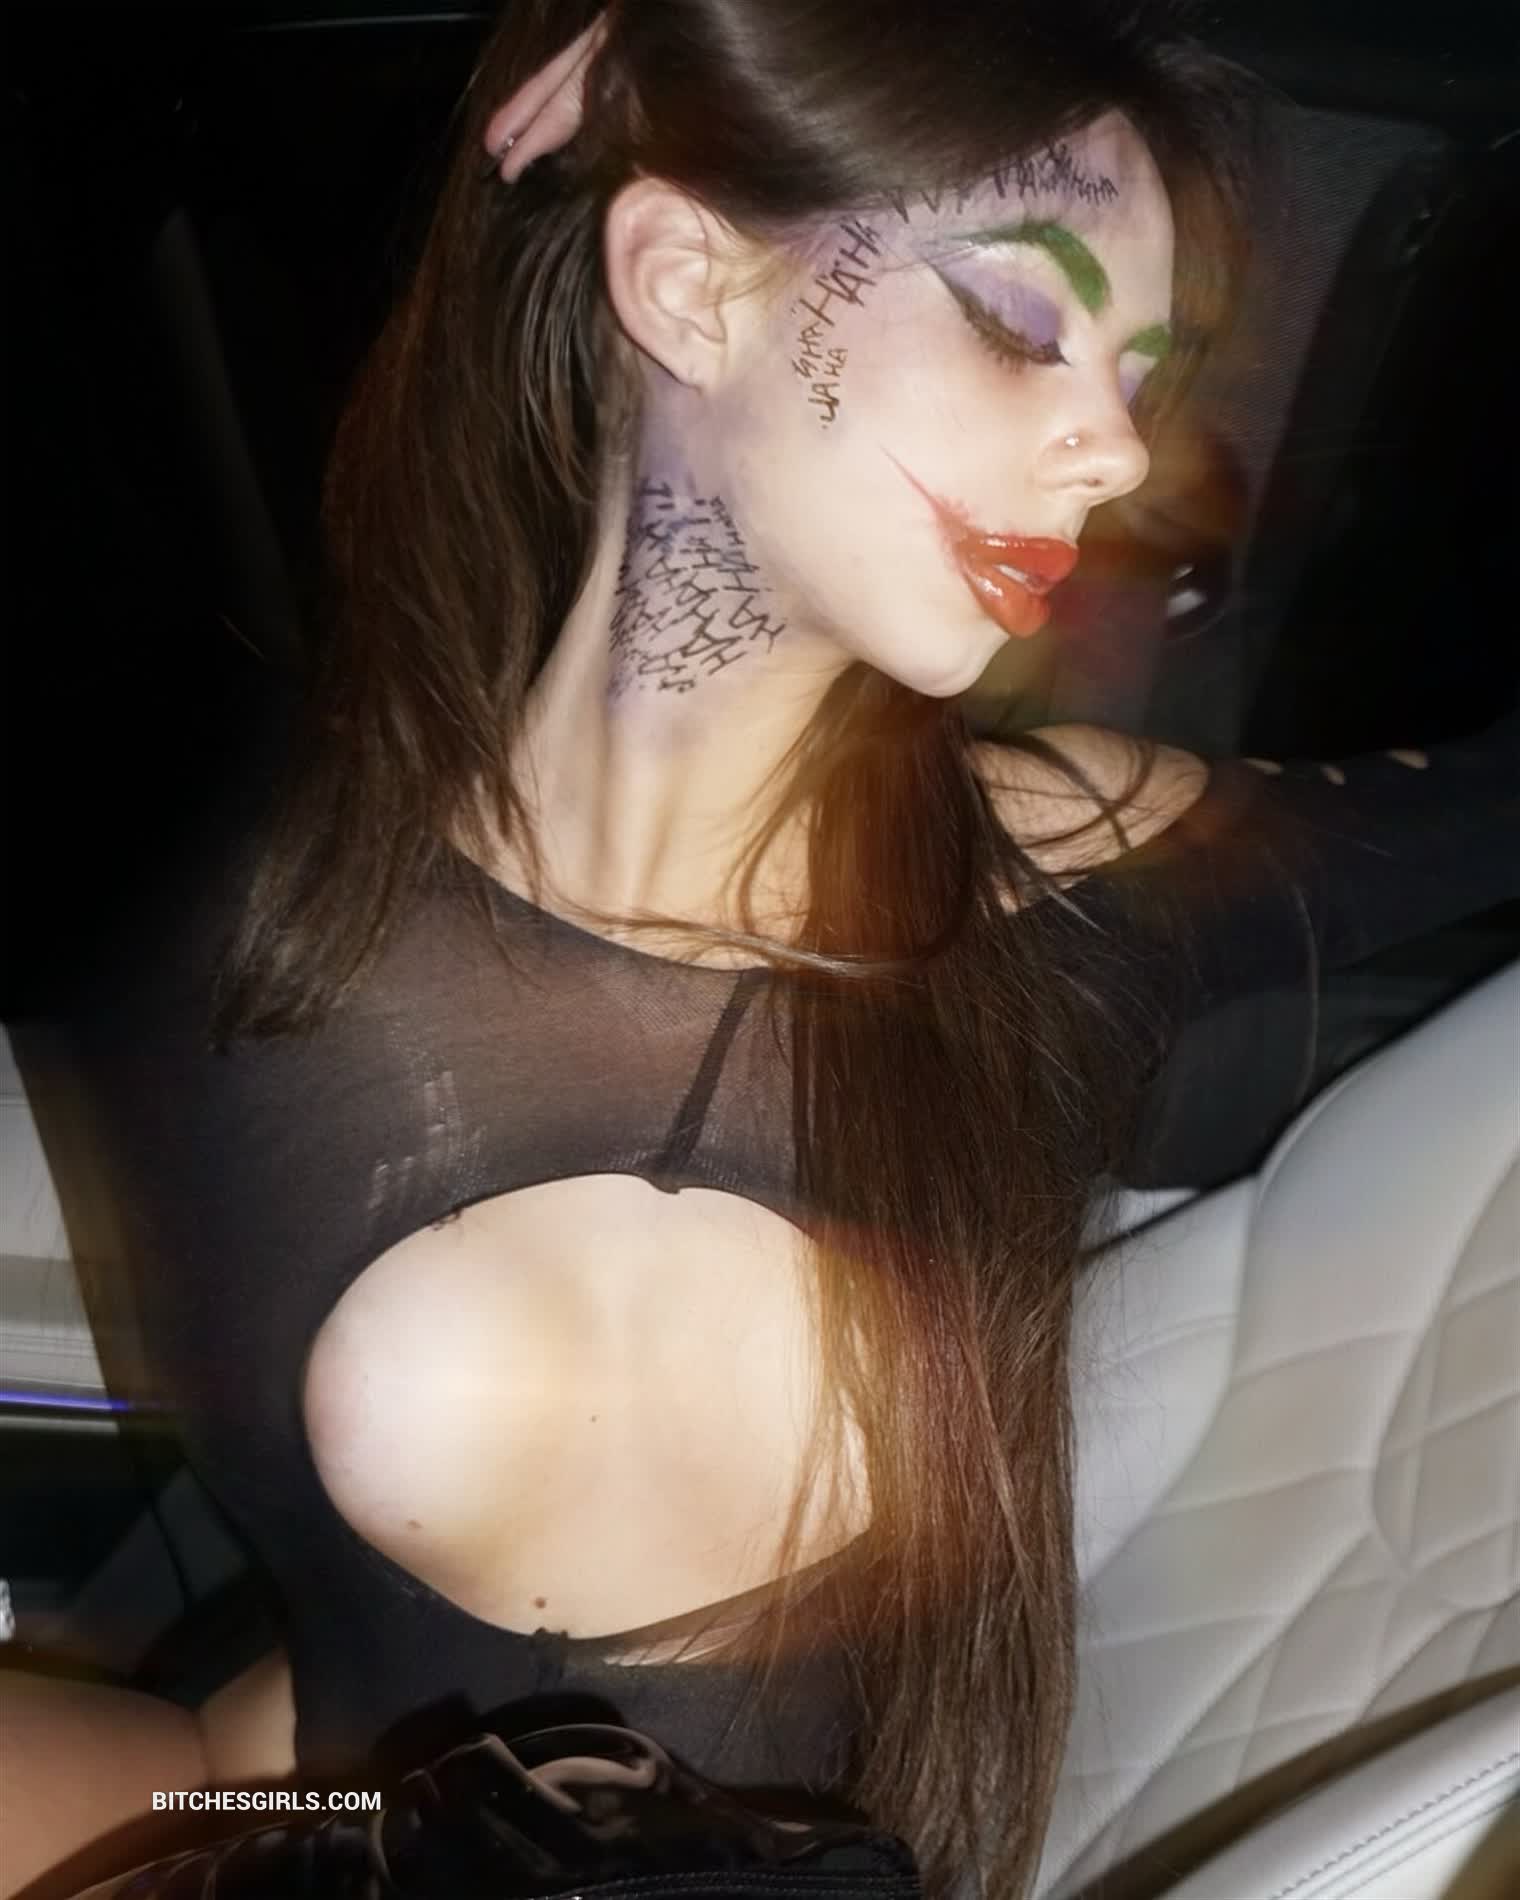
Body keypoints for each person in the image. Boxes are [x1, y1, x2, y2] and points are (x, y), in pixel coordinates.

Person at [3, 2, 1517, 1898]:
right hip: (288, 1795)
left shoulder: (1055, 883)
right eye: (1020, 320)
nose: (1115, 450)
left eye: (1143, 370)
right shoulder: (288, 829)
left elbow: (1476, 809)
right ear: (685, 284)